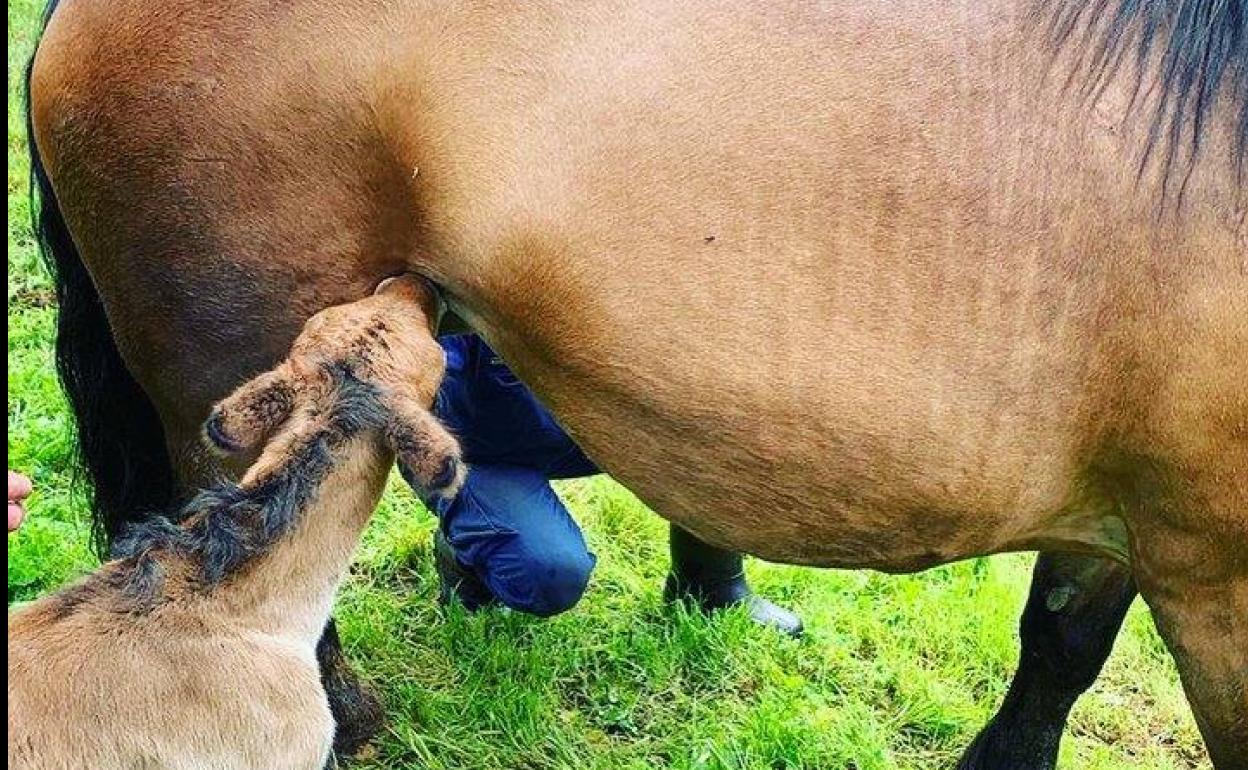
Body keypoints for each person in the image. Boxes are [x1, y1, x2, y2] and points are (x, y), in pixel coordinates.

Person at [426, 334, 803, 636]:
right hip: (474, 445)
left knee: (717, 413)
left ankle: (712, 585)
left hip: (590, 417)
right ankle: (469, 545)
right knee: (549, 572)